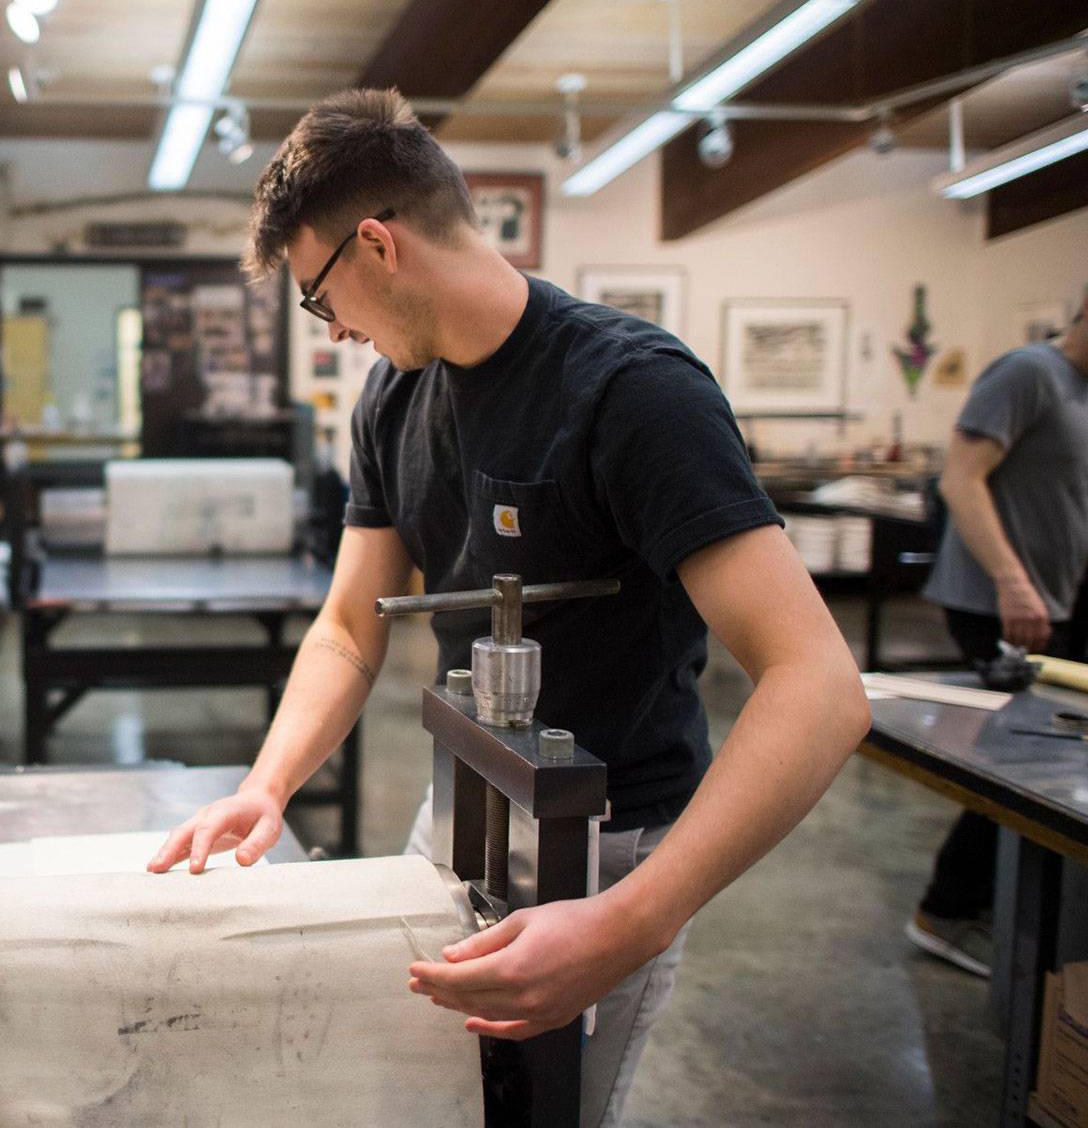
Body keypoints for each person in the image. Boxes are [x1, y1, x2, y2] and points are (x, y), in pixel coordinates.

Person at [148, 90, 869, 1128]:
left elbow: (819, 685)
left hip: (611, 852)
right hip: (458, 813)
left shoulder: (632, 392)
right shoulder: (395, 398)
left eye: (321, 296)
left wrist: (634, 920)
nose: (335, 328)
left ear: (378, 245)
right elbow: (353, 624)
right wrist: (269, 784)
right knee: (409, 1098)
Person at [906, 289, 1088, 977]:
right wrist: (1013, 580)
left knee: (1046, 759)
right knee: (1019, 763)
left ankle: (996, 908)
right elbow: (962, 480)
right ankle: (947, 908)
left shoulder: (1079, 391)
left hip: (1055, 600)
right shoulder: (1030, 373)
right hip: (1002, 604)